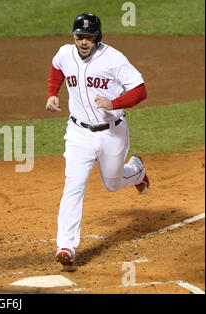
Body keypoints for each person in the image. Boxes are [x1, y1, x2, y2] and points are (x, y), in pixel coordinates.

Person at [46, 13, 149, 269]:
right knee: (74, 185)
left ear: (97, 37)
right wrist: (51, 94)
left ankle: (136, 171)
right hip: (78, 133)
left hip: (111, 132)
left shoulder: (114, 59)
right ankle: (66, 246)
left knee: (112, 183)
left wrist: (114, 103)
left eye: (88, 37)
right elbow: (57, 68)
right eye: (79, 36)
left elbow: (140, 90)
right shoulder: (65, 53)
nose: (83, 42)